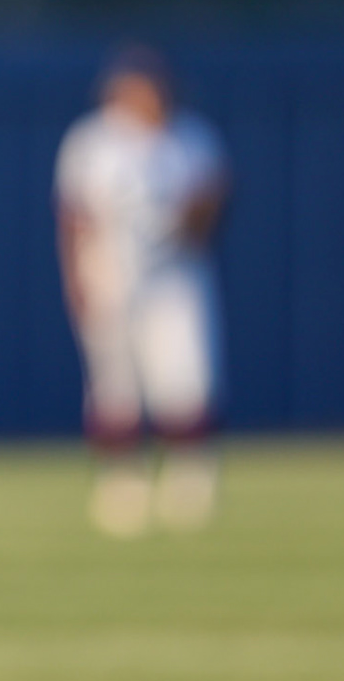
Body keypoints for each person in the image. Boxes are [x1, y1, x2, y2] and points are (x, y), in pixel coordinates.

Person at [53, 45, 229, 537]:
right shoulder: (93, 141)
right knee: (115, 384)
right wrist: (76, 280)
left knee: (185, 378)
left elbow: (213, 199)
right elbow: (73, 217)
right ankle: (122, 486)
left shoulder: (190, 137)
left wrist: (193, 216)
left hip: (174, 275)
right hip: (110, 274)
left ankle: (189, 483)